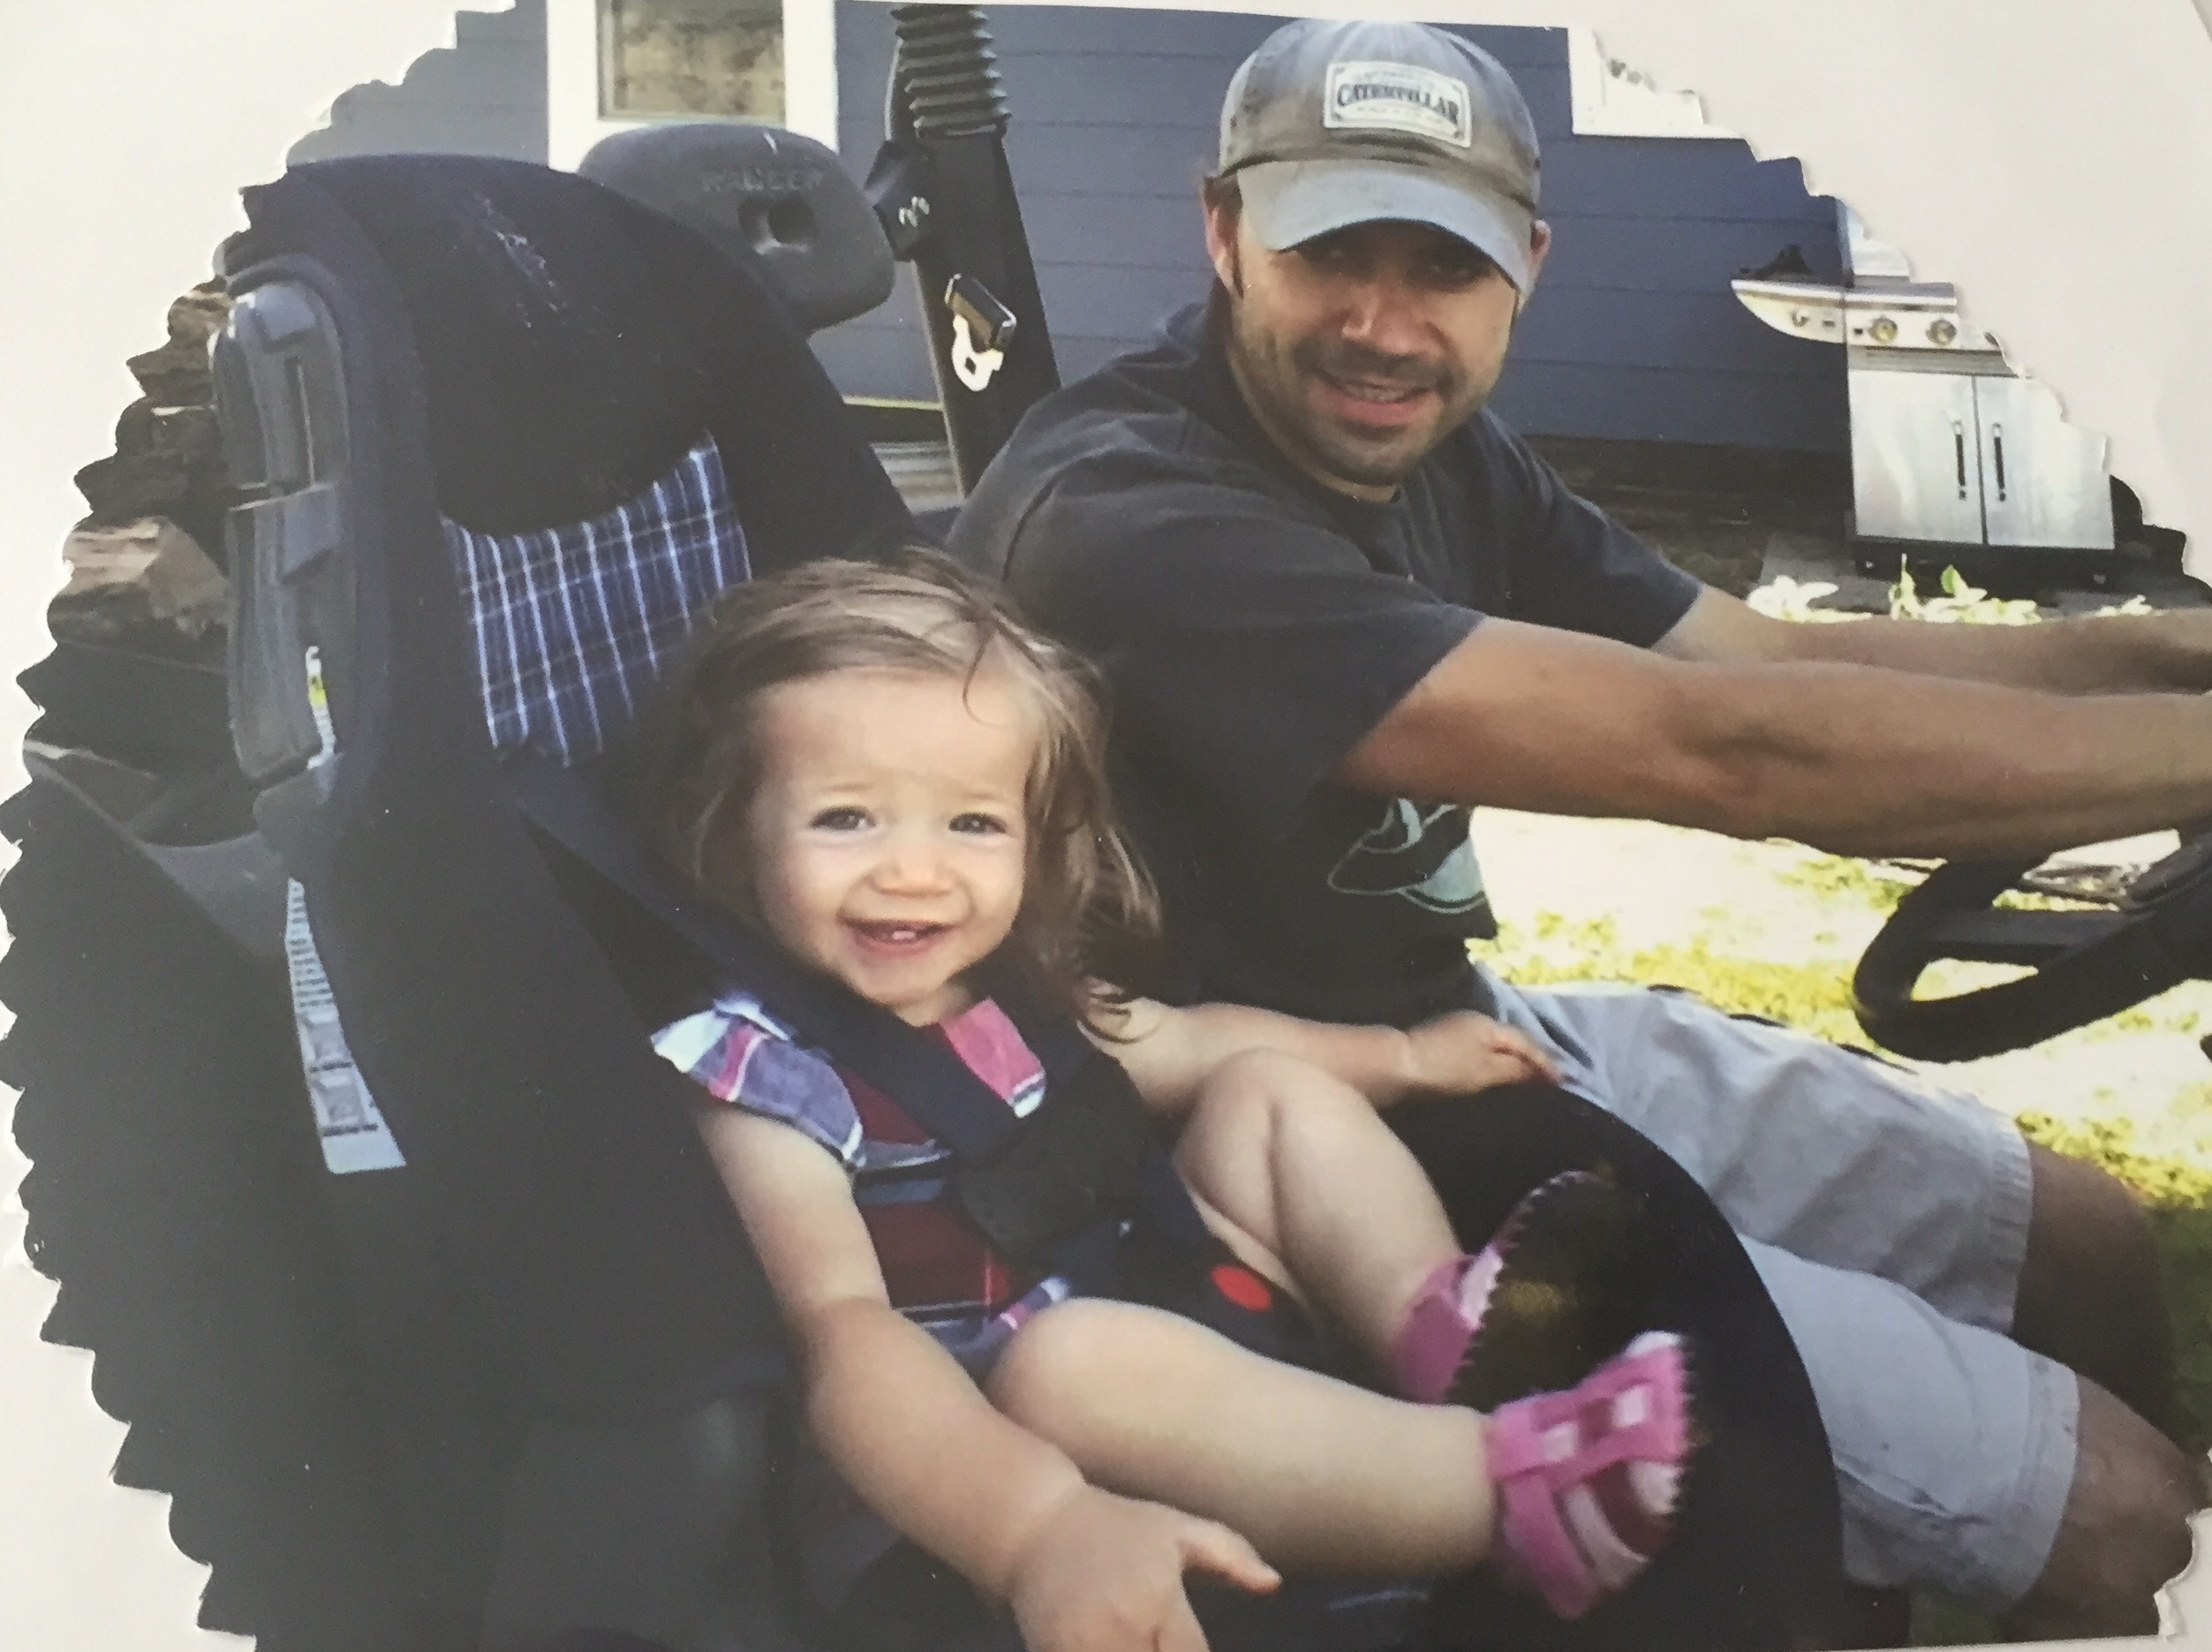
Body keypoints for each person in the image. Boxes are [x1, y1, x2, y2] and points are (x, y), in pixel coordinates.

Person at [947, 16, 2208, 1638]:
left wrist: (2173, 656)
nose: (1384, 325)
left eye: (1444, 267)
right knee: (2128, 1515)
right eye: (1332, 253)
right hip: (1292, 1133)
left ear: (1527, 268)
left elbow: (1765, 660)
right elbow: (1724, 750)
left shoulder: (1446, 456)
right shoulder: (1133, 518)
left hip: (1466, 1029)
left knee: (2081, 1238)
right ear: (1224, 232)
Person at [630, 554, 1703, 1650]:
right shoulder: (764, 1074)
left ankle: (1437, 1327)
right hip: (991, 1478)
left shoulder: (1007, 982)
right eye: (848, 818)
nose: (914, 870)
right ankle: (1513, 1498)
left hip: (1159, 1296)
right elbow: (843, 1338)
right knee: (1073, 1360)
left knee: (1263, 1090)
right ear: (736, 830)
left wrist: (1401, 1056)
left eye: (972, 825)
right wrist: (1036, 1529)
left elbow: (1189, 1043)